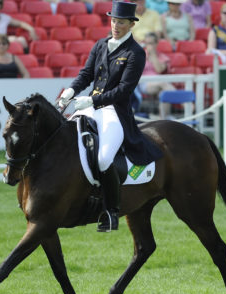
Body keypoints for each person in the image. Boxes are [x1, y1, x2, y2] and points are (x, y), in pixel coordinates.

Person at [57, 1, 163, 232]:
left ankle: (111, 211)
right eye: (114, 20)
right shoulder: (101, 45)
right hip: (89, 106)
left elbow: (124, 90)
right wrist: (71, 91)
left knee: (104, 159)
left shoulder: (135, 53)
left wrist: (93, 100)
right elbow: (86, 74)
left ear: (131, 25)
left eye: (121, 22)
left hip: (115, 112)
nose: (116, 25)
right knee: (64, 138)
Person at [138, 32, 176, 119]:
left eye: (151, 43)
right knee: (164, 84)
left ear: (156, 43)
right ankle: (184, 103)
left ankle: (163, 118)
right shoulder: (140, 56)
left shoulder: (162, 56)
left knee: (164, 92)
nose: (149, 46)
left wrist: (153, 55)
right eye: (147, 43)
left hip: (158, 83)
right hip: (144, 84)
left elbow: (159, 70)